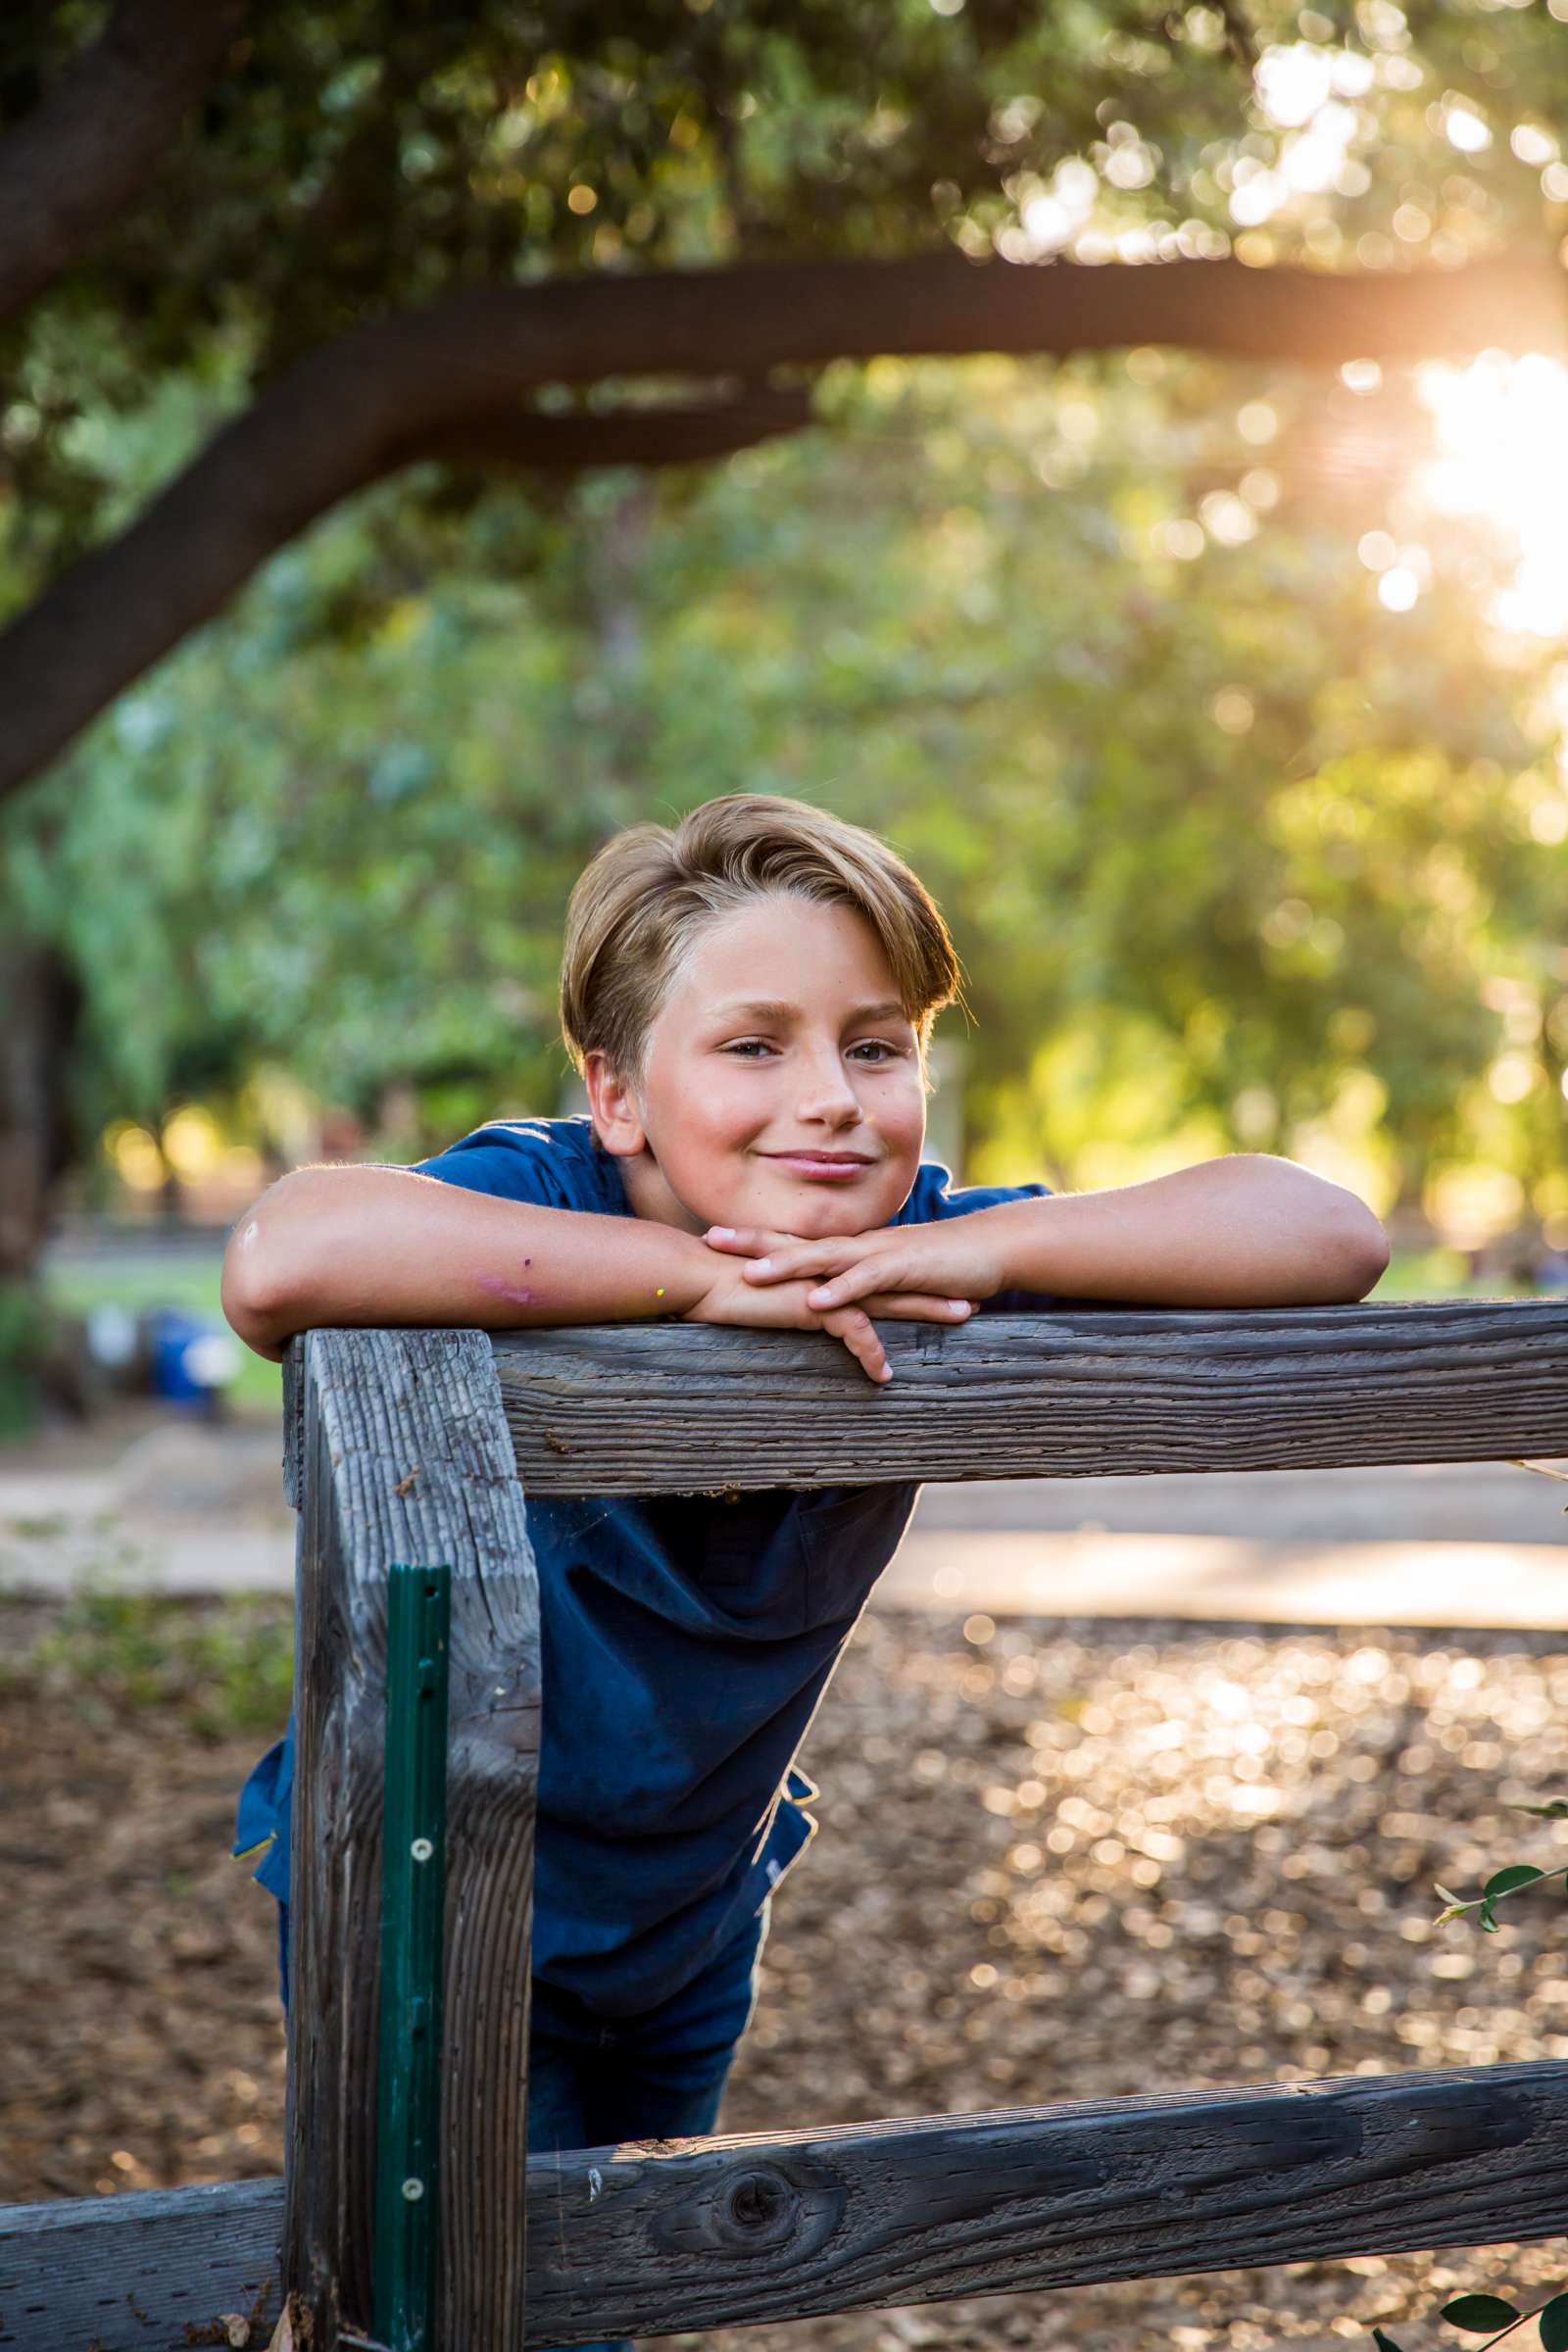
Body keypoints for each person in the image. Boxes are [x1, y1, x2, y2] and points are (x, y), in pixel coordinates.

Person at [222, 791, 1388, 2352]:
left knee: (630, 2281)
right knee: (458, 2309)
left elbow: (1327, 1229)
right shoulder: (548, 1193)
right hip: (444, 1904)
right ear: (619, 1095)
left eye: (878, 1044)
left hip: (693, 1909)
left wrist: (990, 1251)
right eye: (755, 1047)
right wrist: (695, 1279)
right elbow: (283, 1253)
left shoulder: (908, 1238)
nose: (831, 1100)